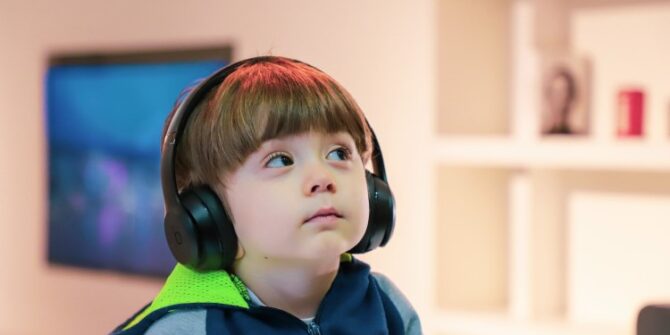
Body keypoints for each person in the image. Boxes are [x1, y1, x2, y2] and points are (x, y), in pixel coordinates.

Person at [111, 56, 422, 334]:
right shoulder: (185, 329)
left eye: (339, 153)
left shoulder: (387, 306)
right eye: (280, 160)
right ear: (209, 214)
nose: (322, 178)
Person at [543, 66, 577, 135]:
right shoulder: (542, 134)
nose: (558, 97)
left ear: (570, 97)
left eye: (562, 91)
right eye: (555, 91)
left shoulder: (578, 136)